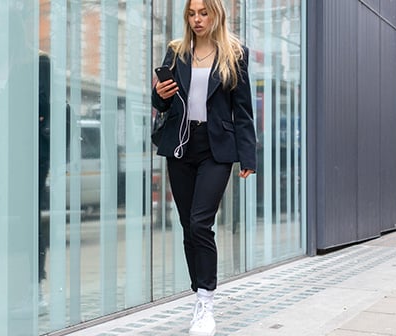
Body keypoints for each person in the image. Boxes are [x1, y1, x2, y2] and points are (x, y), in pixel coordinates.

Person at [152, 0, 257, 335]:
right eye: (192, 14)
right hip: (181, 146)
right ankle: (198, 293)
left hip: (216, 148)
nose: (197, 20)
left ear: (216, 14)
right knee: (187, 226)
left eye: (203, 13)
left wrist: (247, 156)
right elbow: (161, 104)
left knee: (200, 224)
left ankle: (206, 303)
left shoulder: (234, 53)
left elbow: (242, 109)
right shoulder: (176, 51)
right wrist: (159, 93)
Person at [0, 51, 52, 317]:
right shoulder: (0, 65)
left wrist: (2, 95)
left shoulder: (38, 62)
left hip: (28, 154)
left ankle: (35, 292)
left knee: (27, 223)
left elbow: (42, 105)